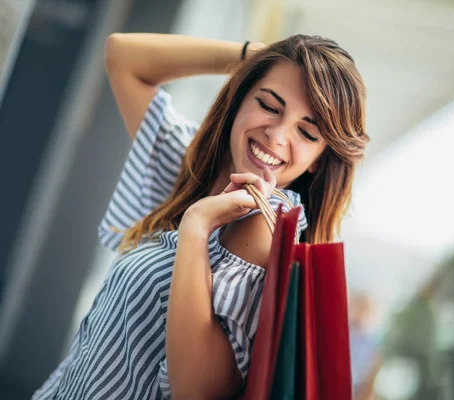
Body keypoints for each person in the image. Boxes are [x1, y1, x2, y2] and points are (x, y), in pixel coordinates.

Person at [32, 33, 369, 399]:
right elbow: (122, 56)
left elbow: (198, 390)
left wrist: (196, 226)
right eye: (269, 105)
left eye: (306, 132)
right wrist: (253, 56)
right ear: (240, 96)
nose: (276, 135)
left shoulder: (264, 225)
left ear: (319, 160)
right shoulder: (195, 165)